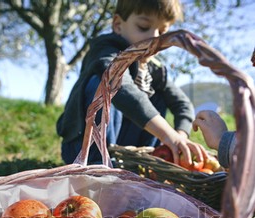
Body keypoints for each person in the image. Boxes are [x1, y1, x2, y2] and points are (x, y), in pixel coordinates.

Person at [57, 0, 207, 167]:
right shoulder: (105, 51)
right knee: (105, 83)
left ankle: (145, 162)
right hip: (81, 146)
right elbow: (122, 86)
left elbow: (182, 104)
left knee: (159, 97)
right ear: (118, 25)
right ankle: (97, 163)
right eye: (143, 27)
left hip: (124, 147)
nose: (155, 37)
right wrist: (167, 134)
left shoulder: (154, 69)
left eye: (163, 31)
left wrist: (180, 136)